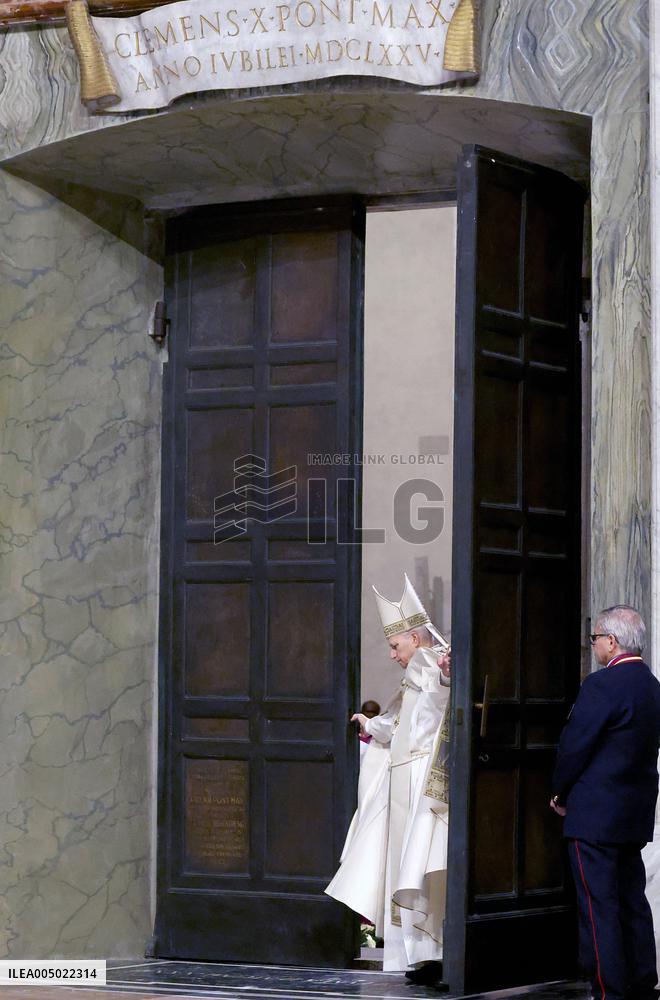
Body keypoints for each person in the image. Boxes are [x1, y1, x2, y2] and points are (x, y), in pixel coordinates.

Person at [325, 574, 451, 983]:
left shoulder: (432, 668)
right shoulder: (415, 672)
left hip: (419, 783)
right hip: (402, 779)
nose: (393, 654)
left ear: (416, 639)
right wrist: (370, 724)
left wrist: (447, 675)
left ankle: (429, 952)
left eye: (396, 646)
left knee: (416, 865)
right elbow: (397, 723)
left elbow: (439, 703)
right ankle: (410, 957)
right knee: (400, 866)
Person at [551, 604, 660, 1000]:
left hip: (595, 813)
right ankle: (642, 981)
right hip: (632, 813)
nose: (594, 645)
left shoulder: (602, 685)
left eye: (595, 638)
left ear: (611, 642)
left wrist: (560, 793)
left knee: (599, 907)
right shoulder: (651, 686)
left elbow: (575, 746)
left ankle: (607, 988)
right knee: (632, 899)